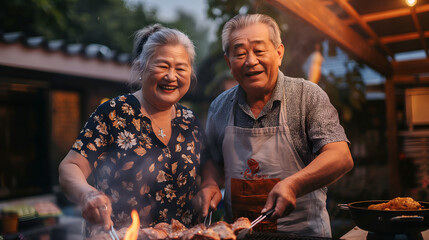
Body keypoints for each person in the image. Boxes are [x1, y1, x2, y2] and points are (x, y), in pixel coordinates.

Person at [195, 14, 354, 238]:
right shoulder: (219, 107)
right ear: (228, 62)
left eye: (259, 51)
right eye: (240, 54)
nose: (250, 61)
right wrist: (209, 183)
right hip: (239, 234)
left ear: (279, 53)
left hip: (304, 234)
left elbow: (340, 156)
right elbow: (213, 159)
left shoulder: (306, 96)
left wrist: (294, 184)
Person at [58, 24, 203, 235]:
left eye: (181, 68)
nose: (171, 76)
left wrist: (209, 185)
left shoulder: (190, 121)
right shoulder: (114, 113)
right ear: (141, 68)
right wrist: (87, 195)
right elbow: (70, 167)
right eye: (162, 66)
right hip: (118, 235)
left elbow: (209, 169)